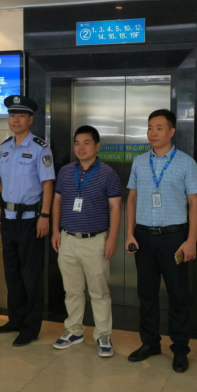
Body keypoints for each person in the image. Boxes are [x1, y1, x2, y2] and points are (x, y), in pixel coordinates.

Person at [125, 109, 197, 374]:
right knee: (146, 293)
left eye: (159, 128)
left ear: (171, 131)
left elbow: (195, 204)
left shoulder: (186, 163)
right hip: (144, 237)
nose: (153, 133)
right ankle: (150, 343)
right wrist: (129, 233)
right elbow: (132, 199)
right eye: (149, 127)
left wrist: (191, 240)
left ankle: (180, 349)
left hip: (174, 238)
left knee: (178, 295)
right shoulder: (139, 162)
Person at [51, 125, 122, 357]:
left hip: (95, 241)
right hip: (68, 238)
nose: (81, 148)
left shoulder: (108, 174)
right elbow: (57, 201)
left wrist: (112, 238)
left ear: (97, 146)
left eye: (87, 143)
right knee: (71, 290)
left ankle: (103, 334)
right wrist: (55, 231)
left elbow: (115, 207)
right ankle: (74, 331)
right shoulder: (65, 172)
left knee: (99, 292)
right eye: (77, 143)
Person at [0, 95, 55, 347]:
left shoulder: (40, 148)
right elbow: (2, 183)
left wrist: (45, 215)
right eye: (12, 115)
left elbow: (48, 184)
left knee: (31, 276)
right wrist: (0, 210)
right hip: (8, 219)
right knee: (12, 273)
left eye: (20, 116)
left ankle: (30, 327)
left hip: (31, 220)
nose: (15, 120)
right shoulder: (5, 147)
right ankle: (15, 319)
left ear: (30, 119)